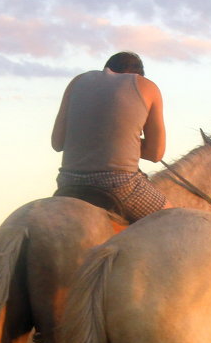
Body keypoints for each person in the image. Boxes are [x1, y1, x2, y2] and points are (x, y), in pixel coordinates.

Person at [50, 51, 168, 222]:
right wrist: (127, 138)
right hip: (120, 184)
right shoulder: (147, 86)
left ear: (106, 69)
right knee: (175, 222)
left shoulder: (77, 81)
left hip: (68, 182)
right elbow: (156, 153)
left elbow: (57, 143)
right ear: (138, 75)